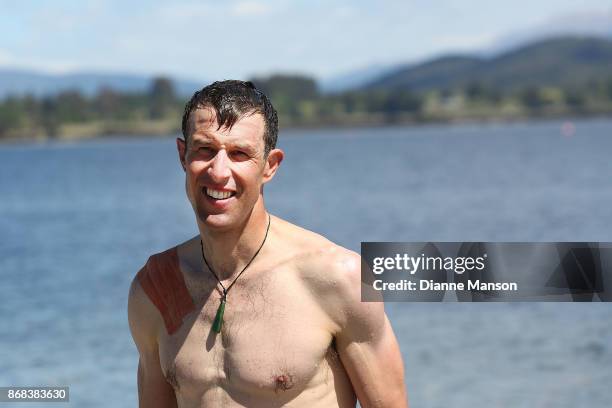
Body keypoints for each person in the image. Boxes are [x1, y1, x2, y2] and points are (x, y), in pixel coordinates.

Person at [128, 80, 408, 407]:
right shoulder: (156, 288)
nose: (219, 171)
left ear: (270, 166)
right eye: (205, 149)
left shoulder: (337, 278)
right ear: (182, 154)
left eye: (239, 154)